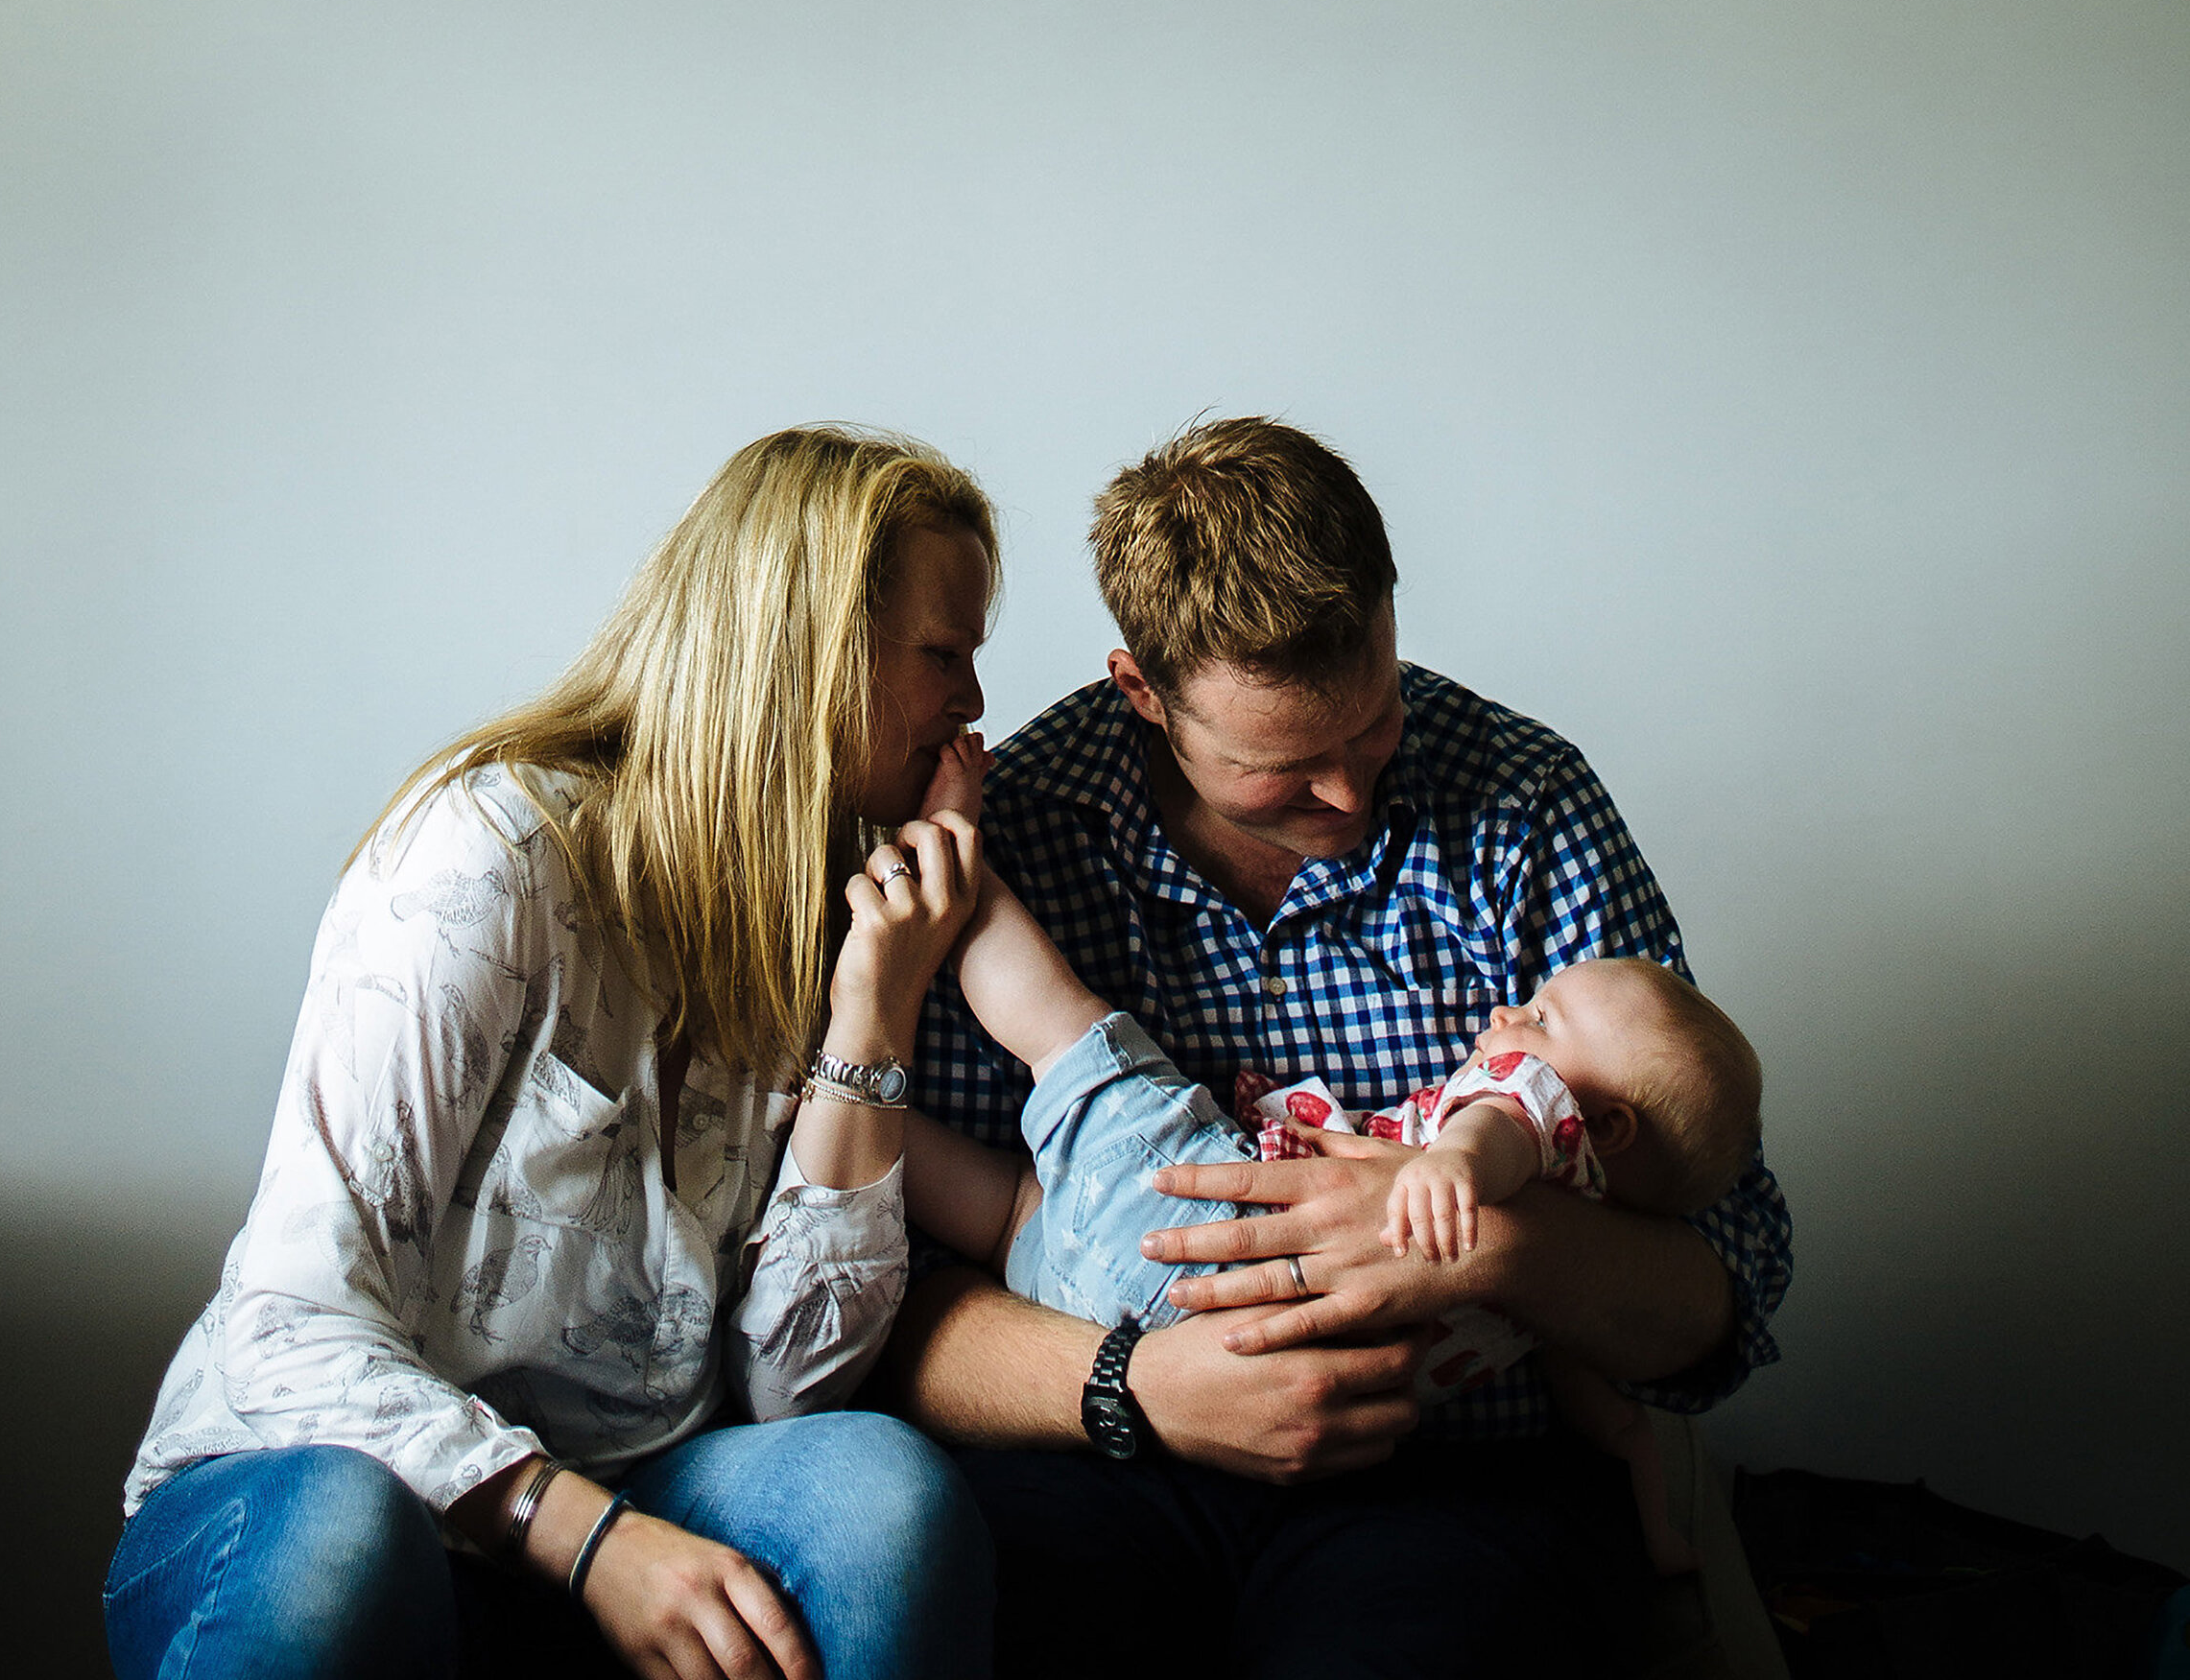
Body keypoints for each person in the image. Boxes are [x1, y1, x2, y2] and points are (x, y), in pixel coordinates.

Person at [889, 417, 1795, 1680]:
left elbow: (1727, 1284)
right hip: (1103, 1455)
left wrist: (1480, 1242)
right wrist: (1132, 1386)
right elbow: (890, 1292)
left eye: (1370, 725)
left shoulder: (1523, 805)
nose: (1352, 796)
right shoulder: (1016, 833)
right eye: (1283, 766)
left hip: (1454, 1486)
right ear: (1142, 689)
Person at [104, 426, 1001, 1680]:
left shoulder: (824, 912)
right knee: (346, 1534)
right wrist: (585, 1537)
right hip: (318, 1497)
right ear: (809, 645)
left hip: (634, 1492)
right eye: (944, 654)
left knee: (872, 1490)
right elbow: (288, 1322)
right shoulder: (491, 853)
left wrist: (873, 1010)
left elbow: (798, 1389)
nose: (969, 704)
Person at [900, 810, 1763, 1574]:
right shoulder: (1553, 1306)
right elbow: (1616, 1426)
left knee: (1058, 1033)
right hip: (1189, 1336)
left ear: (1608, 1128)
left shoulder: (1543, 1115)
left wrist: (1453, 1174)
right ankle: (837, 1117)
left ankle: (950, 874)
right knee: (1007, 1212)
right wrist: (1661, 1535)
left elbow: (1495, 1126)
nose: (1507, 1020)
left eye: (1539, 1018)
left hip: (1218, 1223)